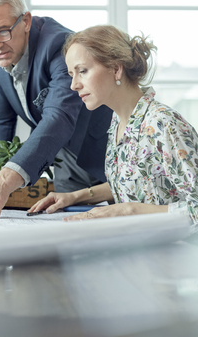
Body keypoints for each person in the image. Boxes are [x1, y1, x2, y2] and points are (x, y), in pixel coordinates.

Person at [0, 0, 112, 220]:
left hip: (103, 150)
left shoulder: (60, 46)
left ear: (25, 21)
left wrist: (3, 184)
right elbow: (2, 120)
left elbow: (58, 117)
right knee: (71, 228)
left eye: (2, 31)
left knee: (117, 227)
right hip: (63, 154)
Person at [28, 25, 198, 226]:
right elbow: (134, 181)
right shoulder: (117, 122)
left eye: (82, 71)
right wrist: (75, 196)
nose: (74, 85)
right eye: (71, 74)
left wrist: (129, 210)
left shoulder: (163, 124)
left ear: (116, 69)